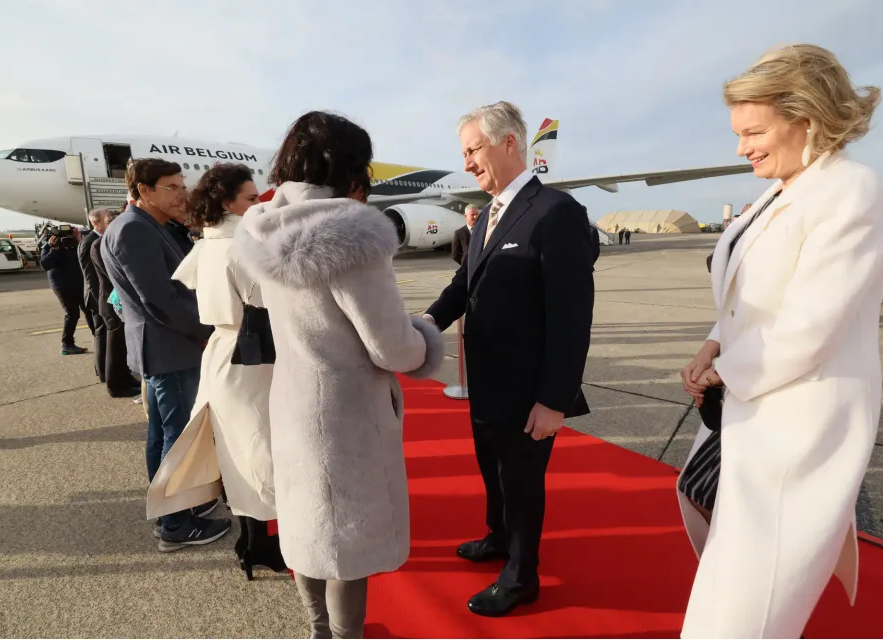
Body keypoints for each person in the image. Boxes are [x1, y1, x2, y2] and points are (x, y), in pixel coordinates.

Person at [677, 44, 883, 638]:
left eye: (752, 131)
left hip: (796, 423)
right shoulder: (786, 189)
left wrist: (726, 370)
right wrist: (714, 344)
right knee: (734, 589)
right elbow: (756, 296)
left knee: (754, 604)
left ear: (807, 117)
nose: (740, 148)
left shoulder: (851, 190)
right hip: (755, 409)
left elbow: (811, 322)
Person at [234, 111, 444, 639]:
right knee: (347, 544)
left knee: (307, 528)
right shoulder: (351, 238)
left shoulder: (262, 227)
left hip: (293, 399)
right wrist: (426, 335)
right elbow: (392, 348)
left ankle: (316, 629)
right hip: (346, 415)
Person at [424, 101, 595, 617]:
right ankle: (498, 539)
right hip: (488, 381)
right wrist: (425, 324)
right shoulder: (489, 213)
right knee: (491, 471)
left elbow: (572, 315)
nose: (468, 163)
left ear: (509, 144)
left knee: (521, 483)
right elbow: (465, 284)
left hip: (527, 389)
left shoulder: (556, 212)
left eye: (473, 150)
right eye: (465, 153)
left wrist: (553, 400)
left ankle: (522, 576)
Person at [153, 162, 285, 578]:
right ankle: (260, 544)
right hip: (251, 354)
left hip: (224, 349)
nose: (258, 202)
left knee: (239, 450)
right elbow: (271, 301)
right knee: (259, 450)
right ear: (228, 203)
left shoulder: (208, 242)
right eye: (250, 198)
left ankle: (254, 541)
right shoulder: (240, 246)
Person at [101, 158, 227, 551]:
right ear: (143, 191)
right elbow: (161, 300)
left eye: (181, 184)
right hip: (170, 348)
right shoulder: (133, 230)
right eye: (171, 187)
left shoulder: (146, 226)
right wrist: (207, 333)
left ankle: (177, 507)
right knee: (176, 439)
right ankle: (175, 524)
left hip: (166, 348)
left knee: (162, 435)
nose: (181, 193)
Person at [89, 212, 140, 399]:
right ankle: (116, 385)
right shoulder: (99, 244)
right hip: (111, 302)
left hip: (114, 300)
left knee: (121, 347)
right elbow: (110, 275)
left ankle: (125, 379)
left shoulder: (105, 242)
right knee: (115, 347)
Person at [40, 227, 93, 356]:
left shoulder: (75, 244)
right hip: (63, 286)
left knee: (89, 310)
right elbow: (45, 265)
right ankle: (67, 344)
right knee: (72, 313)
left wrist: (79, 240)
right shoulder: (51, 246)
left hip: (79, 284)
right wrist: (54, 249)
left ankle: (99, 336)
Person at [78, 209, 110, 382]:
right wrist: (101, 302)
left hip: (101, 297)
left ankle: (107, 370)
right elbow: (91, 277)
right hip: (97, 298)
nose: (111, 221)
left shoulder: (97, 240)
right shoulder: (89, 242)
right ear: (96, 223)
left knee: (106, 336)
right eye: (108, 219)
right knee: (102, 336)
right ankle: (104, 373)